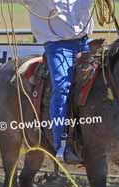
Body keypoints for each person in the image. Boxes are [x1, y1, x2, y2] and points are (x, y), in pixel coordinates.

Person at [20, 0, 94, 162]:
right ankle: (60, 141)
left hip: (86, 42)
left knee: (107, 75)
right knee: (62, 88)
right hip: (58, 46)